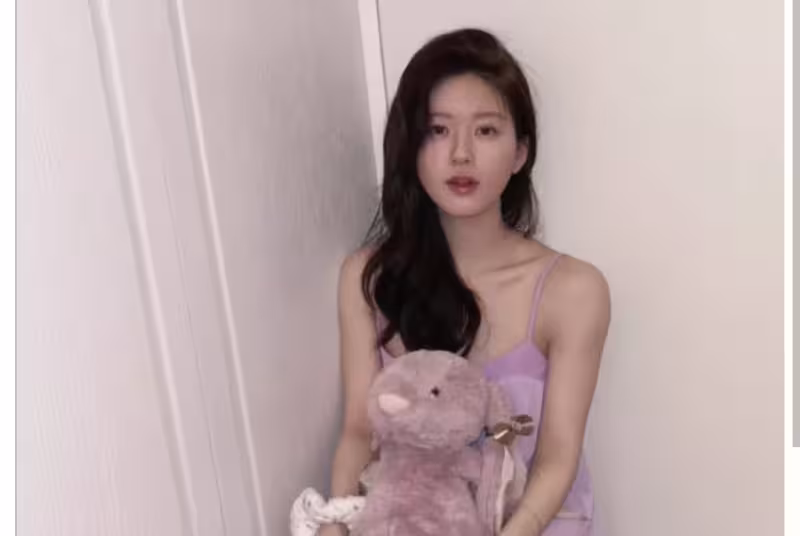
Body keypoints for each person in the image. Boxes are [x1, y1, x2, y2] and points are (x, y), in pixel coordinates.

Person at [320, 28, 611, 536]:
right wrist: (335, 524)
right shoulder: (367, 279)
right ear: (411, 146)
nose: (460, 154)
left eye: (486, 131)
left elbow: (557, 457)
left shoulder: (574, 290)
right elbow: (359, 431)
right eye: (437, 129)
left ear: (520, 153)